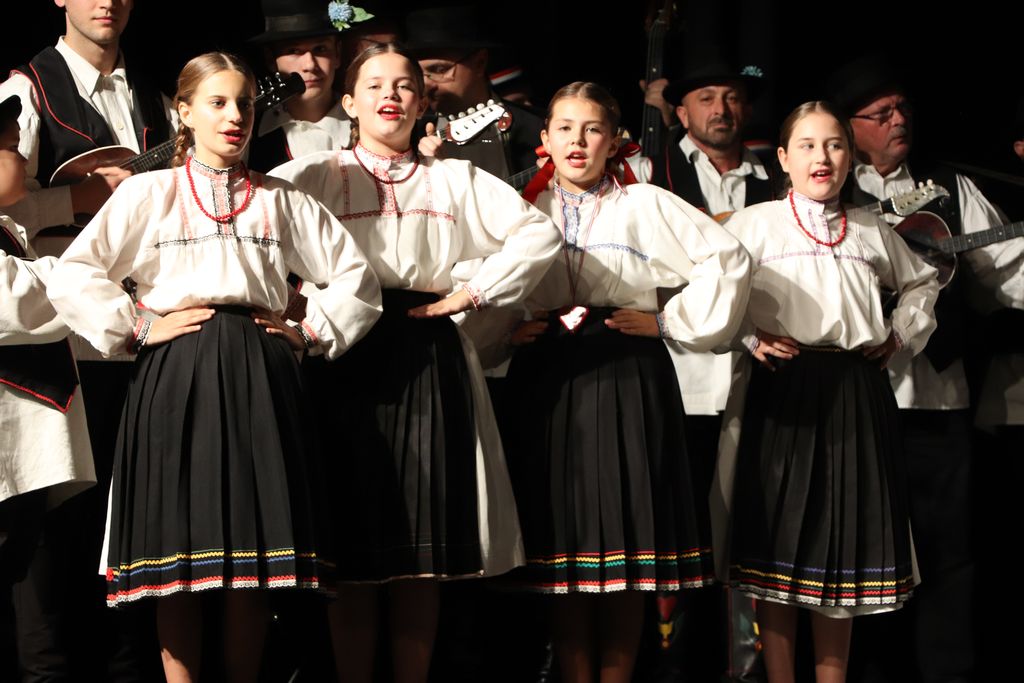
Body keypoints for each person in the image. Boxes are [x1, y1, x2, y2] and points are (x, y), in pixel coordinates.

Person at [46, 52, 382, 683]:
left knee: (250, 558)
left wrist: (307, 331)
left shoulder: (279, 198)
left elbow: (355, 280)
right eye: (218, 102)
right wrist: (137, 326)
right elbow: (75, 274)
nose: (235, 117)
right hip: (177, 369)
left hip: (260, 370)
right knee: (178, 554)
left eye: (245, 104)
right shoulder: (150, 192)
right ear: (185, 112)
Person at [270, 42, 560, 683]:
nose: (391, 96)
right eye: (375, 85)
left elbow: (538, 232)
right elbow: (253, 228)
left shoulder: (453, 179)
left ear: (422, 101)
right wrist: (290, 307)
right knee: (351, 544)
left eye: (404, 85)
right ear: (350, 103)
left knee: (421, 548)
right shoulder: (311, 175)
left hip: (426, 349)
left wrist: (474, 293)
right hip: (343, 354)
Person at [502, 81, 751, 683]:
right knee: (563, 546)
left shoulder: (645, 204)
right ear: (545, 139)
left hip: (624, 367)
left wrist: (670, 321)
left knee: (626, 547)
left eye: (592, 129)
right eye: (565, 128)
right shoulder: (519, 205)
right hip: (549, 373)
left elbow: (728, 258)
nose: (578, 141)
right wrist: (507, 327)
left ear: (615, 141)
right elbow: (474, 271)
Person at [719, 101, 939, 683]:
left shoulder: (868, 227)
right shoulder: (754, 224)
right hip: (785, 389)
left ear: (848, 158)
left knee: (841, 547)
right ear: (783, 158)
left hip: (854, 391)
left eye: (836, 145)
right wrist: (749, 337)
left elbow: (922, 281)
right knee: (779, 546)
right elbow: (706, 292)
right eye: (809, 145)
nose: (823, 156)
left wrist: (898, 334)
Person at [828, 56, 1024, 683]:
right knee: (861, 553)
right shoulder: (825, 188)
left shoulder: (950, 188)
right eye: (881, 113)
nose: (898, 120)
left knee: (949, 552)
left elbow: (1010, 269)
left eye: (902, 109)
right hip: (851, 404)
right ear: (849, 125)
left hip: (939, 397)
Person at [0, 1, 174, 676]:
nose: (107, 1)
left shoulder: (157, 100)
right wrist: (73, 201)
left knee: (138, 523)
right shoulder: (26, 89)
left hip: (148, 332)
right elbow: (7, 202)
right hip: (65, 347)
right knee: (59, 536)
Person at [0, 93, 97, 682]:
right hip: (8, 453)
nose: (22, 158)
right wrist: (87, 271)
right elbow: (16, 303)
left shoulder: (9, 230)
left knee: (41, 618)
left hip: (24, 460)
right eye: (12, 148)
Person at [406, 4, 543, 182]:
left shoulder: (536, 130)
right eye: (419, 74)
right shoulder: (409, 136)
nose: (426, 85)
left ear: (480, 62)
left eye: (439, 70)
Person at [246, 0, 372, 171]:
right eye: (293, 51)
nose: (310, 65)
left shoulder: (369, 124)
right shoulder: (248, 132)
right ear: (270, 59)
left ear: (337, 53)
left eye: (320, 49)